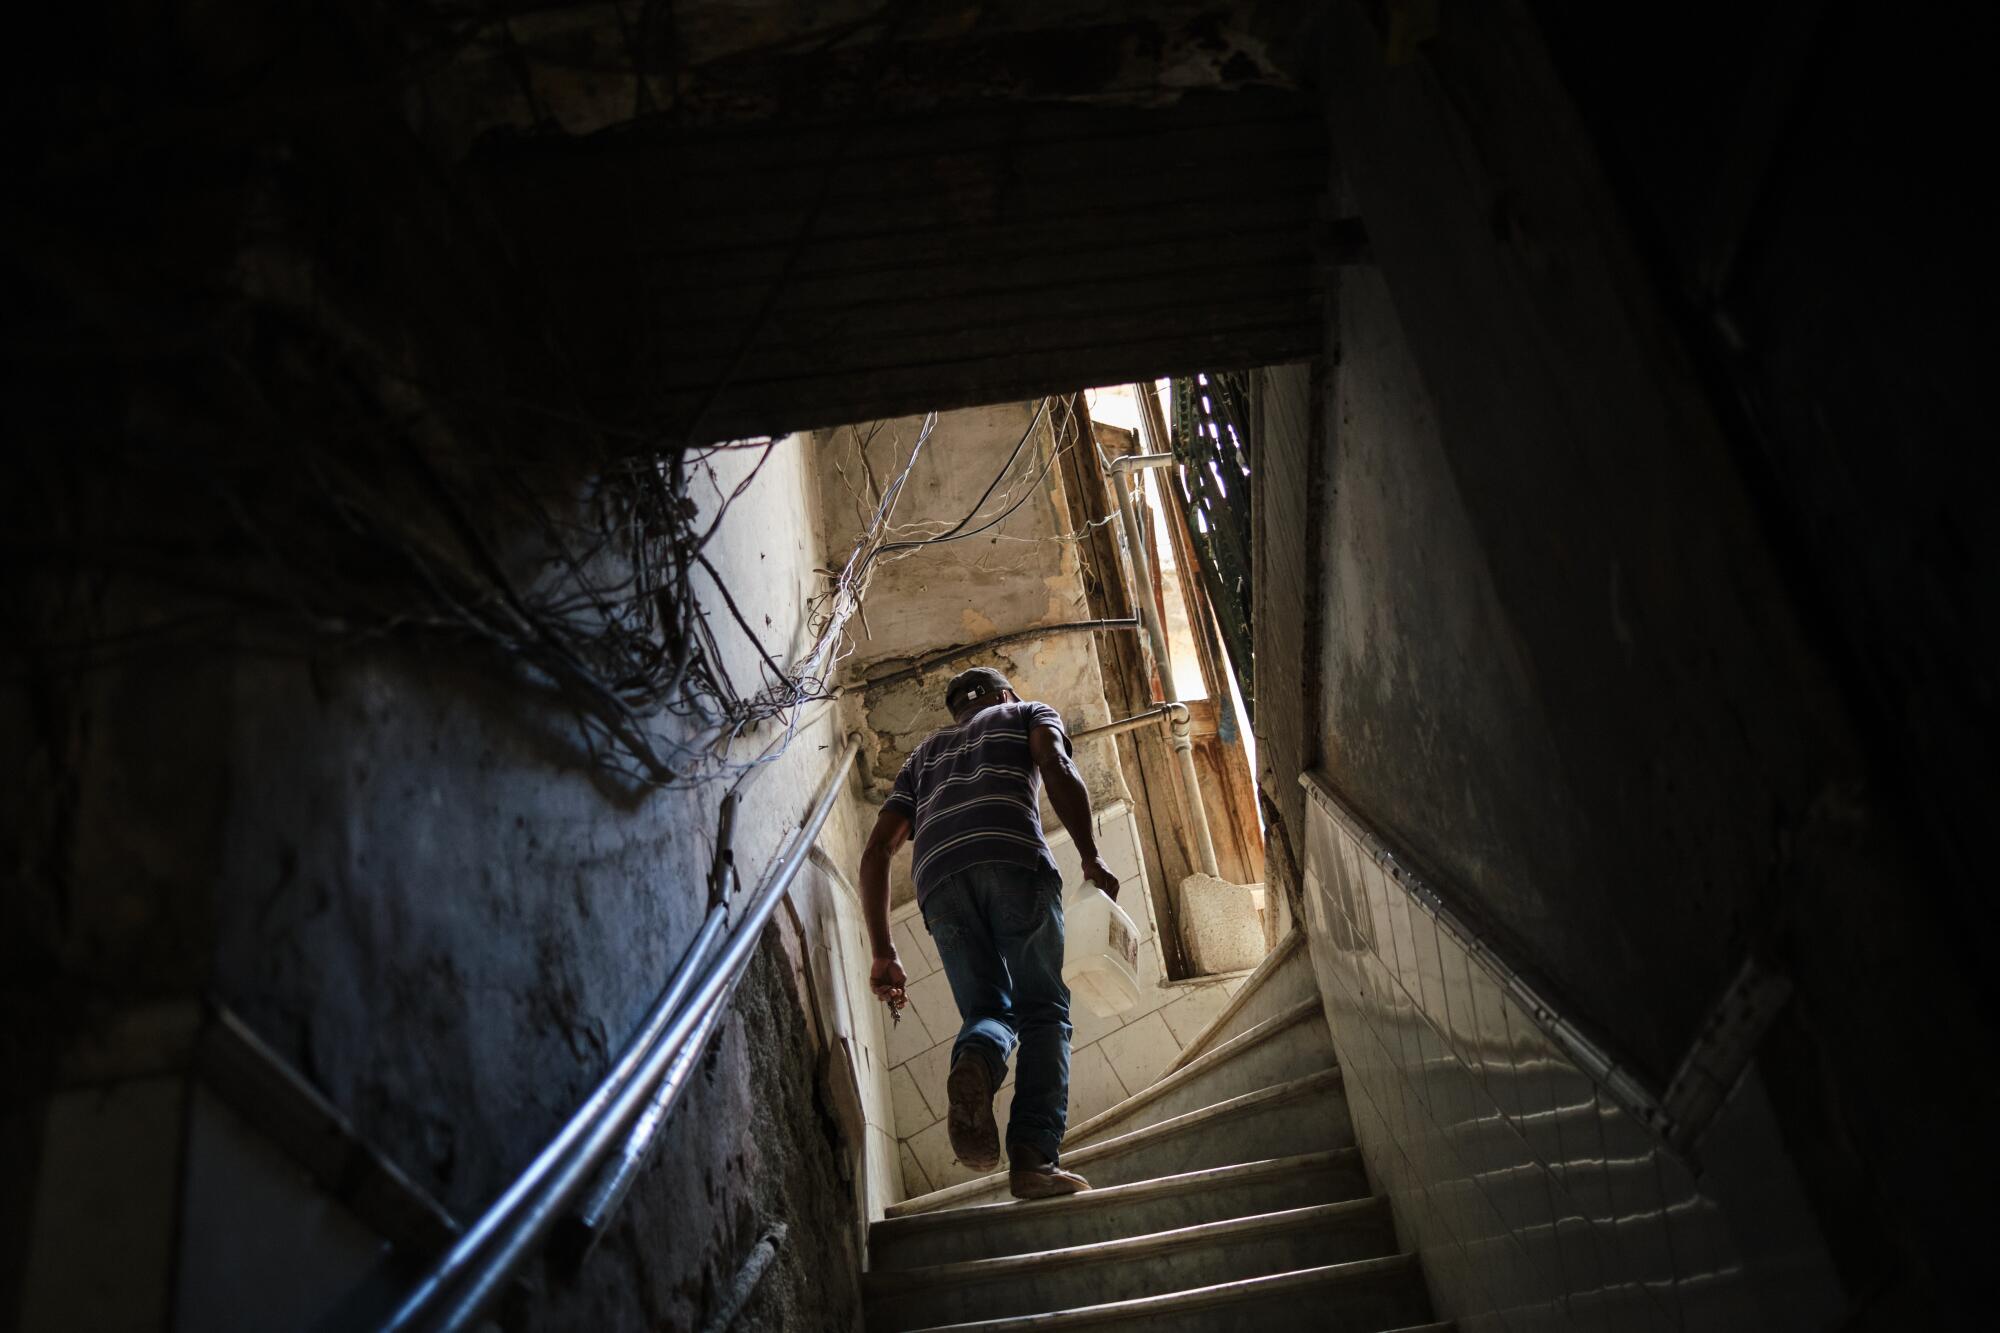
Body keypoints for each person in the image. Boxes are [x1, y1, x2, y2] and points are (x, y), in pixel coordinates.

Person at [859, 666, 1120, 1199]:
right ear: (1005, 694)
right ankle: (1032, 1161)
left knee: (987, 1013)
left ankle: (976, 1061)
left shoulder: (922, 757)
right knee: (1044, 1010)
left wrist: (883, 951)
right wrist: (1090, 857)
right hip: (1012, 858)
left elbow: (878, 850)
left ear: (956, 712)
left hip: (938, 883)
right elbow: (1054, 761)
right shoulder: (1026, 712)